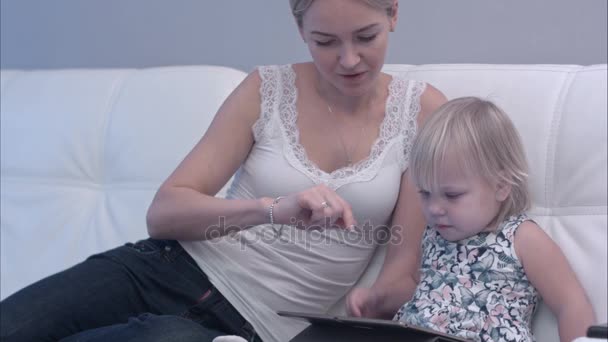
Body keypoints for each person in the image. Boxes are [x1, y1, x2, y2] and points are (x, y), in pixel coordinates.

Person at [0, 1, 447, 342]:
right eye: (325, 42)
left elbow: (402, 263)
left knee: (166, 337)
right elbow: (163, 213)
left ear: (392, 14)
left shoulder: (423, 112)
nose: (348, 60)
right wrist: (272, 209)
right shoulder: (266, 88)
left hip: (253, 327)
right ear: (301, 31)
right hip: (163, 269)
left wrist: (374, 302)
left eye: (365, 37)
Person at [384, 97, 594, 342]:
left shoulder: (521, 237)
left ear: (501, 186)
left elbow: (571, 303)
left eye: (452, 195)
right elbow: (424, 293)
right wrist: (378, 301)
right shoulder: (433, 235)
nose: (434, 208)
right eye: (425, 193)